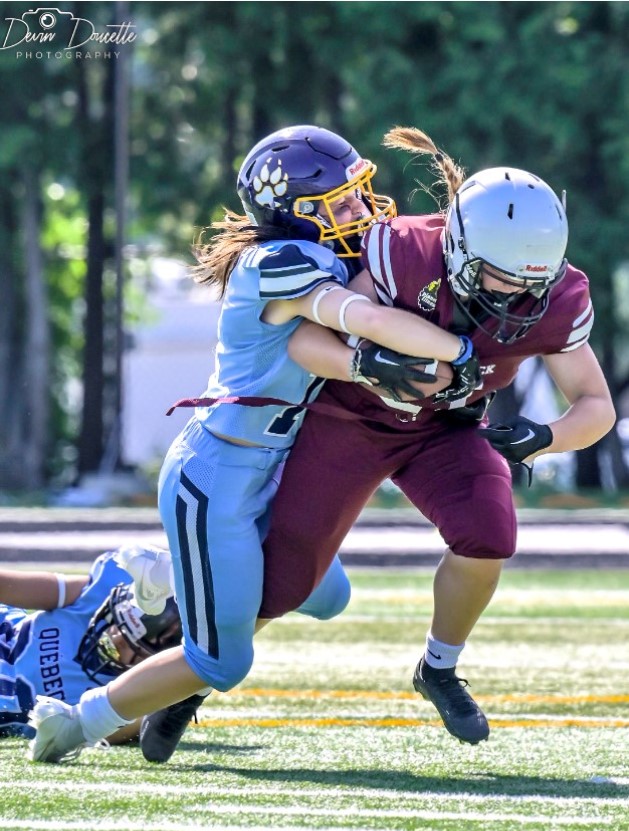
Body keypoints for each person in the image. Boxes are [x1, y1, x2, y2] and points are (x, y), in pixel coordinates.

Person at [27, 124, 481, 763]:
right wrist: (462, 351)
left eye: (360, 194)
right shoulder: (279, 262)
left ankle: (178, 581)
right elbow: (365, 320)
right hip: (215, 477)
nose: (362, 211)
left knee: (328, 595)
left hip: (267, 468)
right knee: (221, 661)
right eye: (342, 203)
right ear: (296, 213)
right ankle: (76, 723)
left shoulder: (320, 254)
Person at [255, 126, 616, 746]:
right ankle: (198, 676)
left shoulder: (556, 295)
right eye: (500, 276)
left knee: (489, 531)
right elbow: (303, 339)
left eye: (531, 280)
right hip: (353, 418)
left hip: (443, 428)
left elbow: (596, 404)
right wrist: (365, 364)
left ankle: (439, 668)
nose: (517, 294)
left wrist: (542, 437)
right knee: (282, 580)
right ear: (455, 245)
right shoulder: (402, 255)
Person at [0, 547, 181, 745]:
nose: (115, 639)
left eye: (133, 646)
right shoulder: (95, 596)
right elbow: (8, 586)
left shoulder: (127, 696)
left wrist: (170, 695)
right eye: (117, 624)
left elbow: (116, 731)